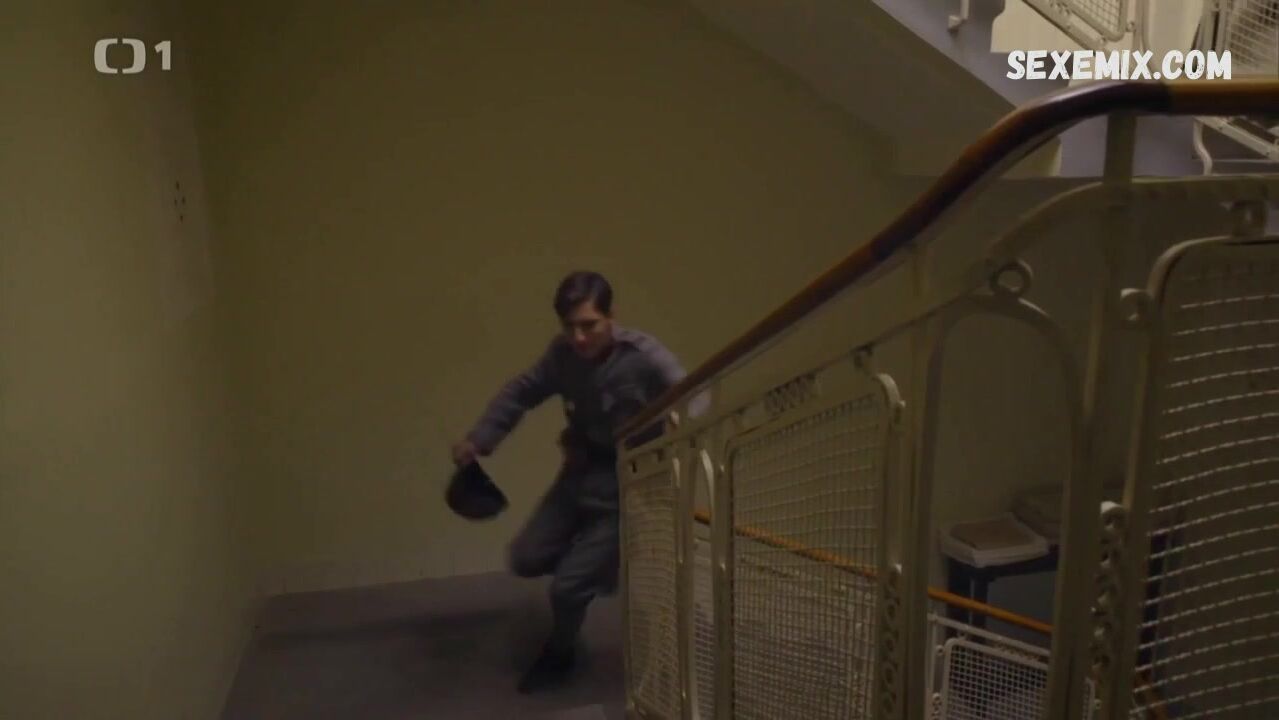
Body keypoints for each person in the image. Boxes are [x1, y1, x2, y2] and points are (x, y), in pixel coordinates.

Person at [451, 270, 701, 694]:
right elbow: (521, 391)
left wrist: (674, 443)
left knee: (566, 588)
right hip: (580, 474)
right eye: (570, 327)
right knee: (525, 557)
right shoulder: (562, 355)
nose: (579, 337)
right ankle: (597, 566)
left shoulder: (643, 356)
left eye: (590, 325)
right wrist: (480, 439)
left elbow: (696, 397)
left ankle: (560, 652)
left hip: (628, 485)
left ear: (611, 317)